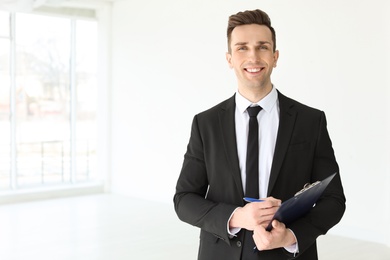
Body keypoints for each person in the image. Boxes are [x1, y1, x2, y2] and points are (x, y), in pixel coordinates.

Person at [173, 9, 346, 260]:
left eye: (262, 47)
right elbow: (184, 199)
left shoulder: (311, 121)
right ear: (229, 58)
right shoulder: (206, 123)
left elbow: (334, 199)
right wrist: (237, 217)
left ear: (275, 57)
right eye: (242, 48)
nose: (253, 57)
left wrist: (291, 236)